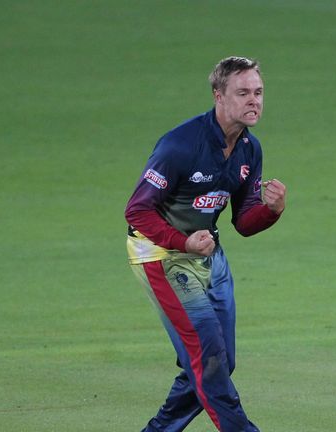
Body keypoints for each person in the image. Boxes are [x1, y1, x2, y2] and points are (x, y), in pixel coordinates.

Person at [125, 56, 286, 432]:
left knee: (219, 361)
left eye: (259, 92)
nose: (254, 101)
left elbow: (244, 222)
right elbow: (137, 211)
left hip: (207, 253)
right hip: (162, 255)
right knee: (208, 357)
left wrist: (271, 211)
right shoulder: (180, 145)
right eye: (243, 92)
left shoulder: (250, 148)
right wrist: (182, 241)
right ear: (219, 96)